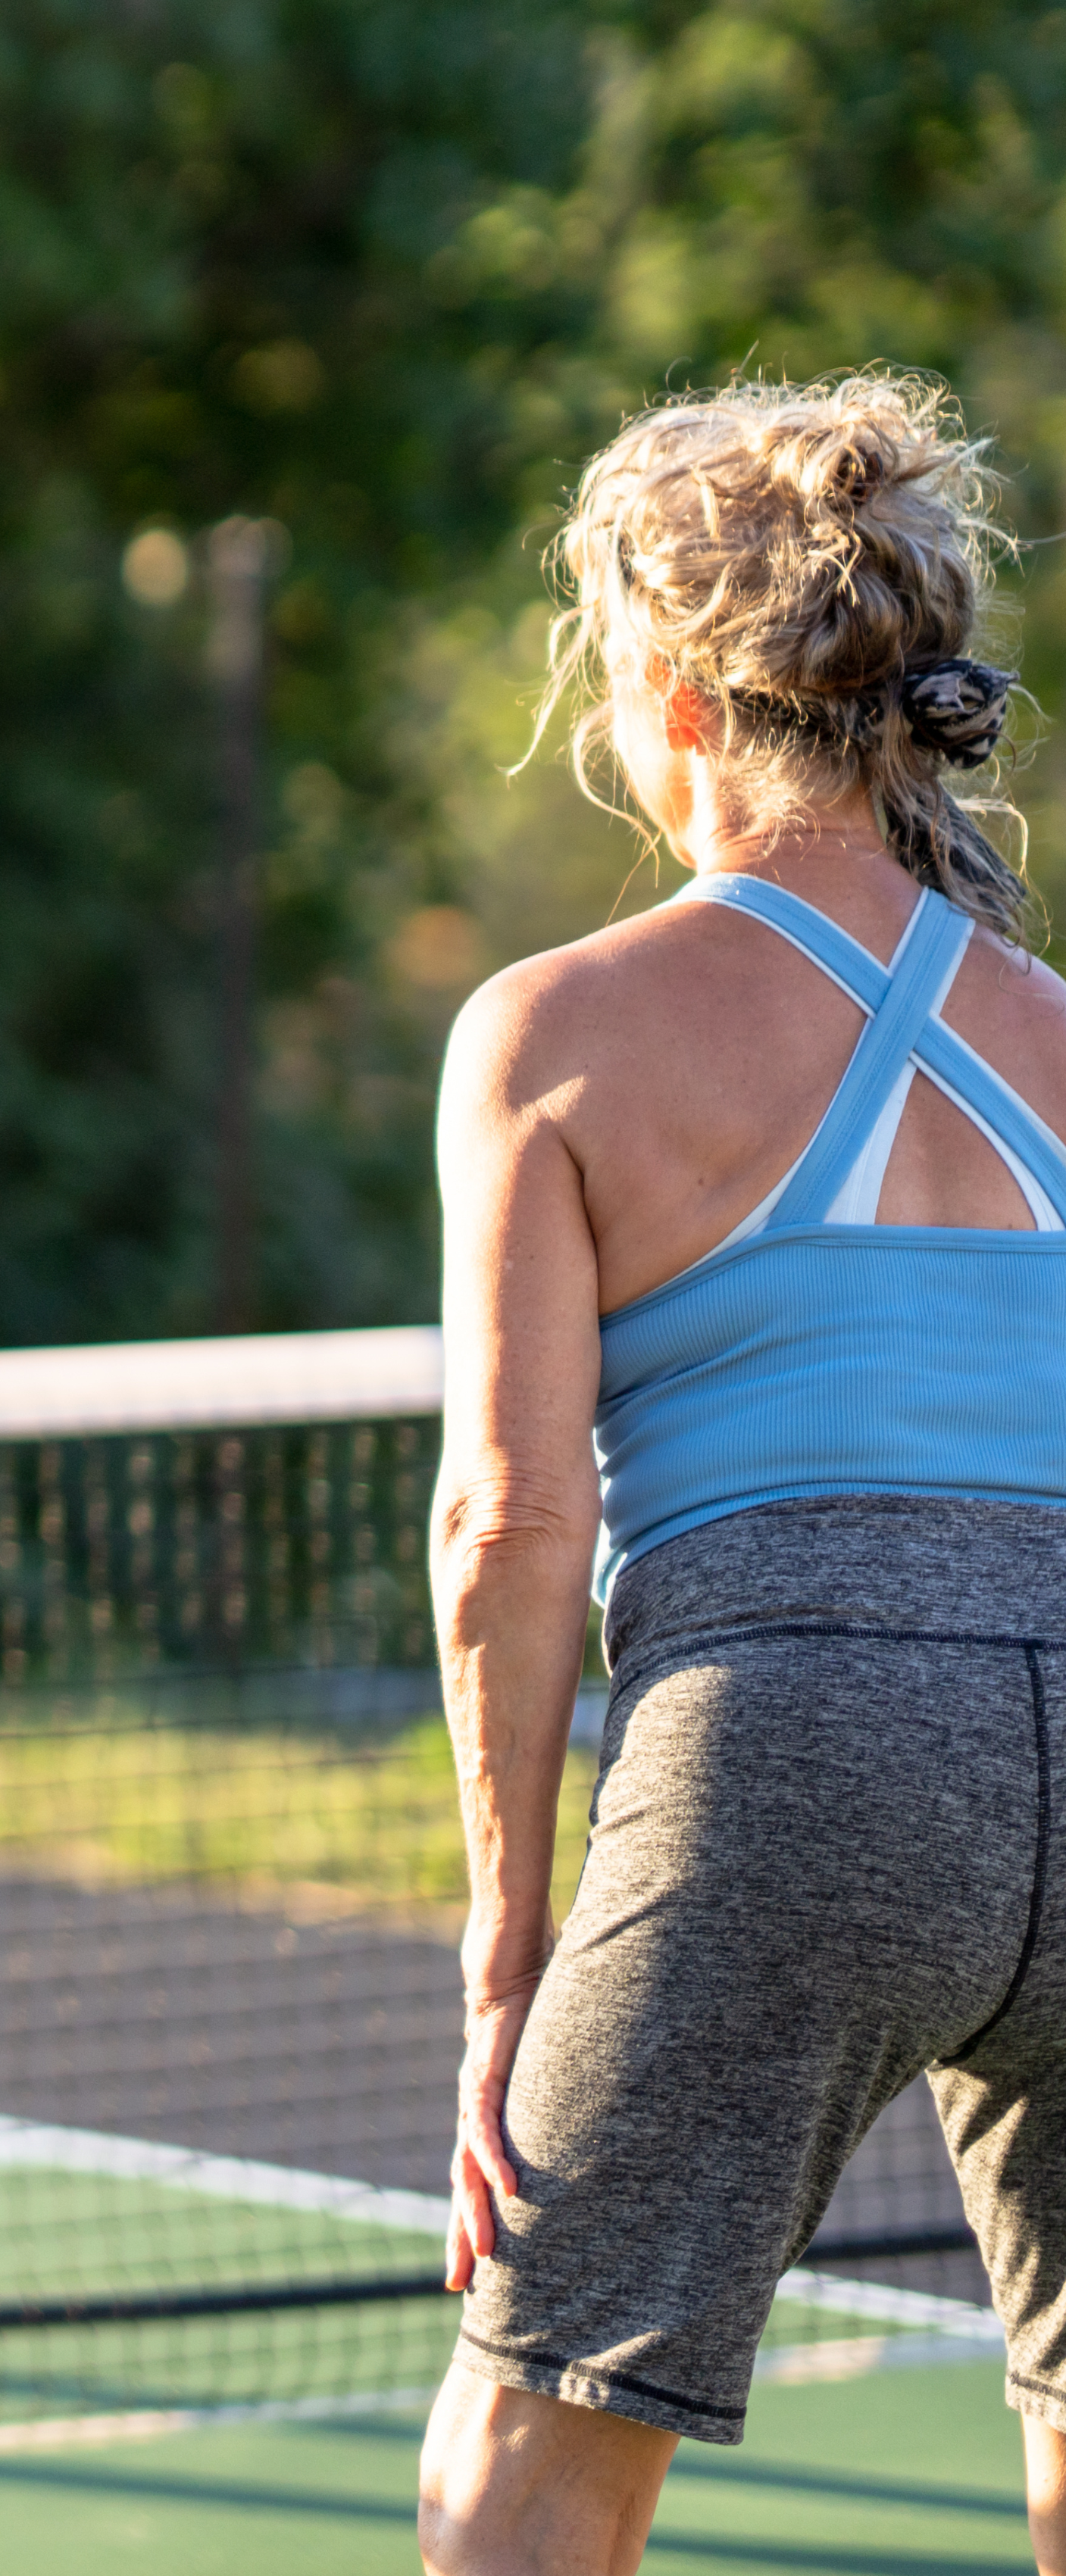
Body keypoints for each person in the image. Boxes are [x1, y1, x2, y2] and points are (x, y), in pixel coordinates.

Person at [421, 371, 1066, 2575]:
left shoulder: (557, 1028)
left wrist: (508, 1955)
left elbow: (510, 1524)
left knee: (519, 2470)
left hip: (793, 1748)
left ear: (679, 698)